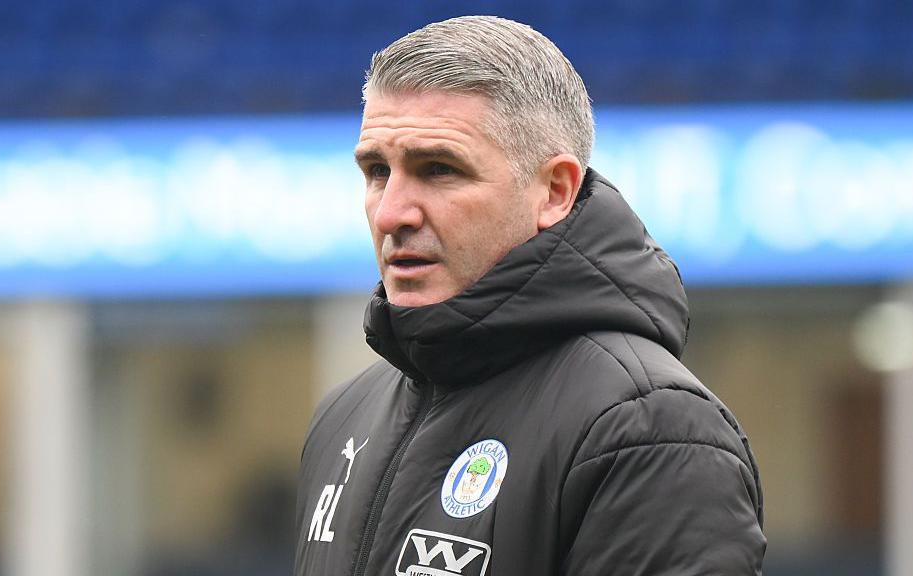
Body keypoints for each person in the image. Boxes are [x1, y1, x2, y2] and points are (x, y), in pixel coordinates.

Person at [294, 15, 765, 576]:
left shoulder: (651, 431)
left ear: (555, 191)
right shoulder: (343, 417)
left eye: (439, 169)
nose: (391, 213)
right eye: (377, 170)